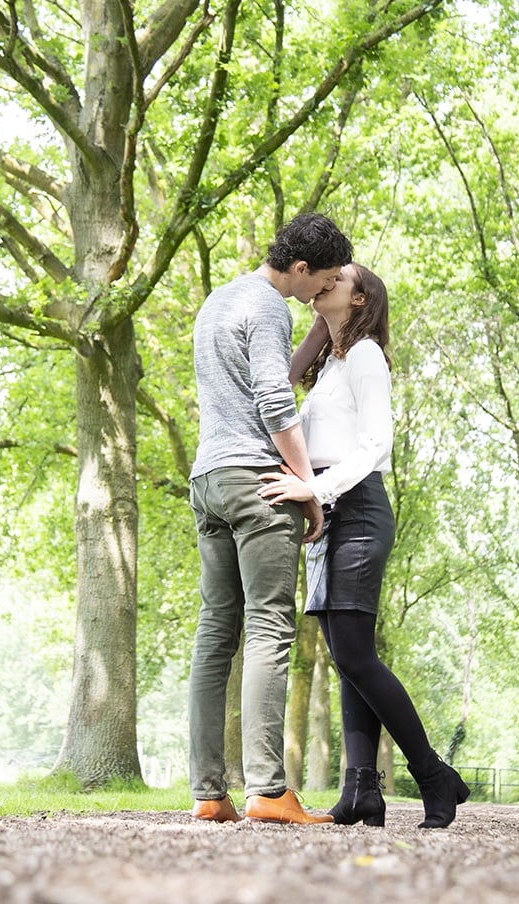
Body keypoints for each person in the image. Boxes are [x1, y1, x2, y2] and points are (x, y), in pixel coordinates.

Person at [256, 263, 471, 829]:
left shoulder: (369, 356)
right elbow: (277, 386)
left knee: (354, 654)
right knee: (345, 657)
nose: (324, 279)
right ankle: (361, 792)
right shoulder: (331, 365)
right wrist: (321, 326)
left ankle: (432, 775)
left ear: (360, 299)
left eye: (338, 277)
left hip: (356, 507)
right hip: (325, 509)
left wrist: (314, 487)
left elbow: (376, 445)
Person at [188, 212, 352, 825]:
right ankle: (268, 789)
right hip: (258, 482)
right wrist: (308, 486)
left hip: (208, 481)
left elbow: (248, 385)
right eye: (325, 279)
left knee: (215, 635)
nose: (326, 292)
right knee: (268, 631)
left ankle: (209, 793)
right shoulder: (268, 307)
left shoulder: (219, 301)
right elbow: (274, 398)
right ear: (301, 269)